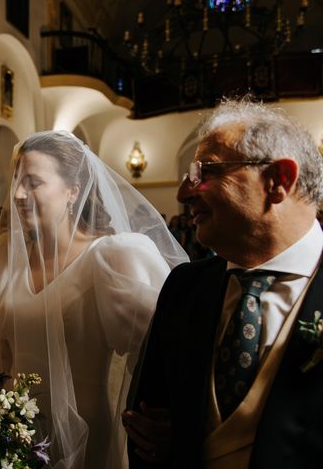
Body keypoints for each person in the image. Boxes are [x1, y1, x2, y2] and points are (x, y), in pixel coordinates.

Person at [0, 131, 188, 469]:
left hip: (87, 437)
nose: (18, 195)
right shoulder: (7, 262)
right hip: (12, 433)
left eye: (33, 182)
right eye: (15, 182)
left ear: (73, 191)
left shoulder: (114, 257)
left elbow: (162, 354)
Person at [123, 99, 323, 469]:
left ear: (278, 180)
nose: (184, 193)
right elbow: (150, 422)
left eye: (205, 172)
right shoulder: (184, 288)